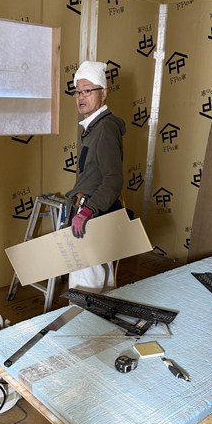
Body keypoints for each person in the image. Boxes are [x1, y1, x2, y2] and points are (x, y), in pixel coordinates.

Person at [66, 60, 126, 292]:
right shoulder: (93, 127)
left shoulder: (104, 128)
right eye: (77, 92)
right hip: (93, 211)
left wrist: (87, 211)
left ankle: (86, 315)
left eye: (88, 91)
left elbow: (113, 179)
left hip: (93, 213)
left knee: (86, 281)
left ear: (104, 93)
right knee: (101, 277)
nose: (81, 97)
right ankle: (102, 314)